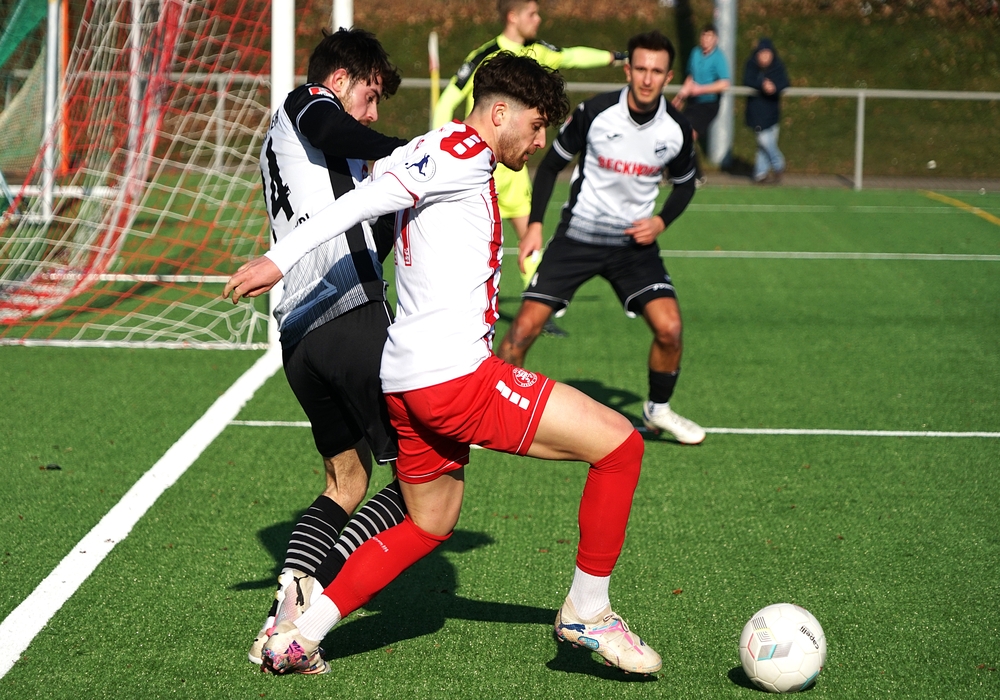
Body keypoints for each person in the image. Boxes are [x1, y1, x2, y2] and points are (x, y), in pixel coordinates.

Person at [225, 52, 663, 676]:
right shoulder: (459, 152)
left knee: (430, 523)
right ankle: (587, 612)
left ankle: (299, 637)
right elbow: (362, 201)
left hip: (406, 381)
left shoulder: (435, 151)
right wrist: (280, 259)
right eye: (536, 126)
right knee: (620, 446)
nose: (540, 142)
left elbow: (382, 192)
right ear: (500, 113)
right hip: (457, 380)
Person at [246, 28, 414, 665]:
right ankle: (315, 605)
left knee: (347, 480)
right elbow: (334, 125)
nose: (371, 114)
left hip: (300, 335)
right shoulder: (308, 102)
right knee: (427, 476)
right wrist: (410, 152)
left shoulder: (303, 152)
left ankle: (286, 606)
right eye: (369, 97)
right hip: (349, 316)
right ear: (339, 81)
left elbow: (370, 231)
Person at [496, 30, 706, 446]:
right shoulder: (595, 112)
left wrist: (661, 222)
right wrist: (535, 224)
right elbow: (551, 166)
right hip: (578, 238)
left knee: (670, 328)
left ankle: (657, 410)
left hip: (633, 246)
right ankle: (491, 414)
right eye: (640, 68)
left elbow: (686, 183)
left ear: (668, 77)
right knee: (522, 330)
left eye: (657, 71)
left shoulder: (677, 129)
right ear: (628, 70)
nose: (647, 78)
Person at [433, 0, 626, 337]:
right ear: (513, 16)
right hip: (481, 167)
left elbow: (572, 56)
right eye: (532, 14)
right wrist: (442, 143)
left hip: (514, 170)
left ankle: (538, 309)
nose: (538, 20)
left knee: (531, 238)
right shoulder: (485, 56)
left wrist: (613, 57)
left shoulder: (539, 51)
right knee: (466, 241)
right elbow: (448, 99)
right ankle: (450, 308)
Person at [671, 23, 730, 187]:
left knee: (689, 134)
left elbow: (725, 83)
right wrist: (679, 98)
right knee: (679, 133)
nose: (706, 40)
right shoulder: (695, 53)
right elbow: (690, 78)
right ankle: (683, 173)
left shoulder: (718, 57)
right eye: (704, 36)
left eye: (710, 36)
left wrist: (701, 89)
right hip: (693, 102)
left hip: (709, 103)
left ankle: (695, 174)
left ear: (715, 39)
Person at [743, 37, 789, 184]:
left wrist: (774, 87)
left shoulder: (777, 66)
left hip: (772, 112)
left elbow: (785, 82)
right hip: (757, 113)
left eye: (767, 54)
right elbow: (747, 79)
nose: (764, 57)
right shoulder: (751, 66)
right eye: (761, 54)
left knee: (765, 146)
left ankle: (760, 174)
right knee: (764, 141)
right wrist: (761, 84)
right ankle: (778, 163)